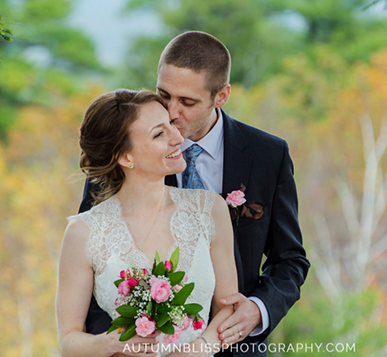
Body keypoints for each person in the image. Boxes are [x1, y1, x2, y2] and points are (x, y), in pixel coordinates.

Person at [80, 32, 310, 356]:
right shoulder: (124, 152)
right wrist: (117, 346)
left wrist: (258, 309)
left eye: (187, 102)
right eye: (163, 95)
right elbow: (93, 263)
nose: (172, 112)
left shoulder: (268, 155)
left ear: (222, 95)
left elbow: (289, 259)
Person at [57, 89, 238, 356]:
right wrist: (109, 343)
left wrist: (199, 348)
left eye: (171, 126)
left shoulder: (210, 210)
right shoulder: (83, 232)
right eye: (159, 134)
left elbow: (228, 307)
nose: (178, 138)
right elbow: (68, 341)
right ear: (125, 157)